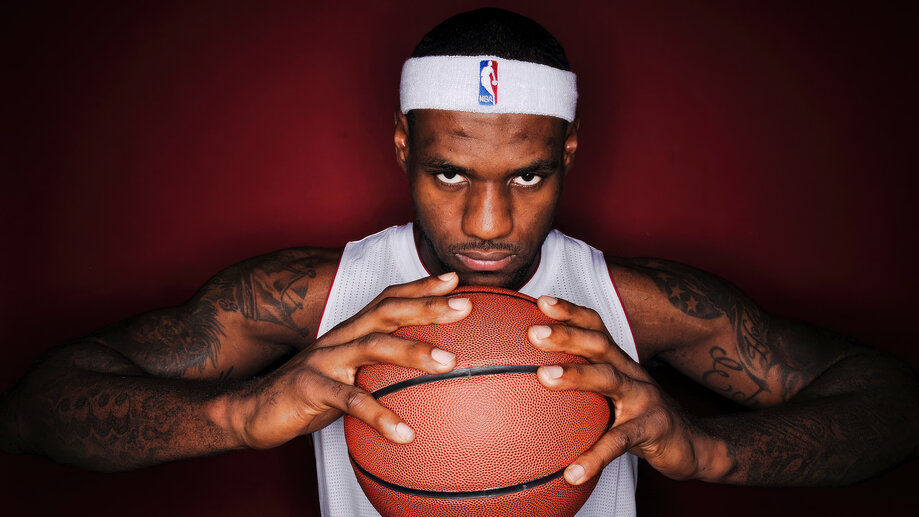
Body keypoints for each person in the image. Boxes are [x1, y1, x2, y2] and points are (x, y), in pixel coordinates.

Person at [1, 7, 916, 517]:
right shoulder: (308, 297)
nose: (487, 222)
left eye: (527, 175)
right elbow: (34, 410)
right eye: (449, 172)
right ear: (401, 146)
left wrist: (710, 450)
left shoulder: (635, 302)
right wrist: (240, 413)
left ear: (568, 153)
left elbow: (894, 406)